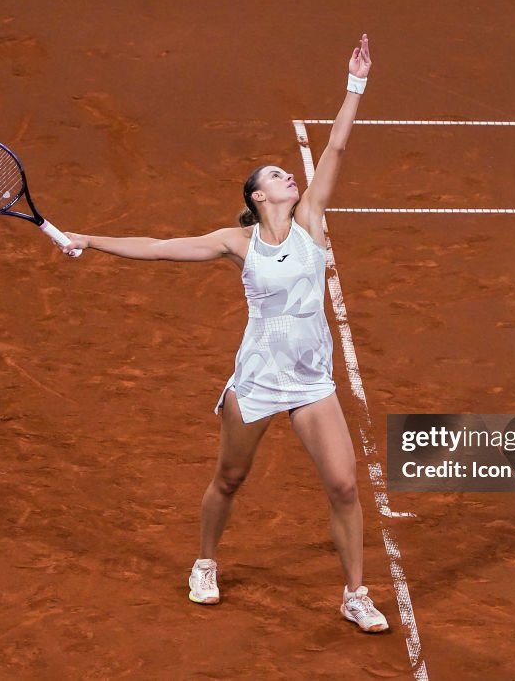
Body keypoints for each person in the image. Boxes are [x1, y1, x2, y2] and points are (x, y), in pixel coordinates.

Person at [61, 34, 388, 633]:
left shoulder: (311, 220)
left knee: (344, 484)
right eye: (275, 175)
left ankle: (355, 593)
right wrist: (89, 237)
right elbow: (159, 250)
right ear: (258, 197)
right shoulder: (236, 243)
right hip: (259, 379)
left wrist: (355, 84)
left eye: (287, 172)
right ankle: (206, 561)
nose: (289, 174)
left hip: (312, 380)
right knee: (230, 478)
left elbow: (337, 145)